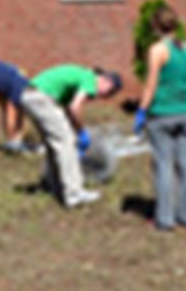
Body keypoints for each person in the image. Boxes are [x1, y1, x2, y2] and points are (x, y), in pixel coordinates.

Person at [135, 6, 186, 231]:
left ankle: (164, 219)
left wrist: (142, 110)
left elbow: (151, 83)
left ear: (155, 26)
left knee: (163, 165)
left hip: (162, 113)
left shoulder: (157, 50)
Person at [26, 64, 123, 208]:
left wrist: (75, 130)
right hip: (42, 98)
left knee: (55, 142)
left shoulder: (81, 77)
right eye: (107, 93)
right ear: (107, 82)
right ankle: (73, 193)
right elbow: (74, 107)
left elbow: (67, 110)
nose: (101, 97)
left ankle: (53, 184)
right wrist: (81, 131)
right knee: (66, 143)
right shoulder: (90, 78)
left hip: (30, 95)